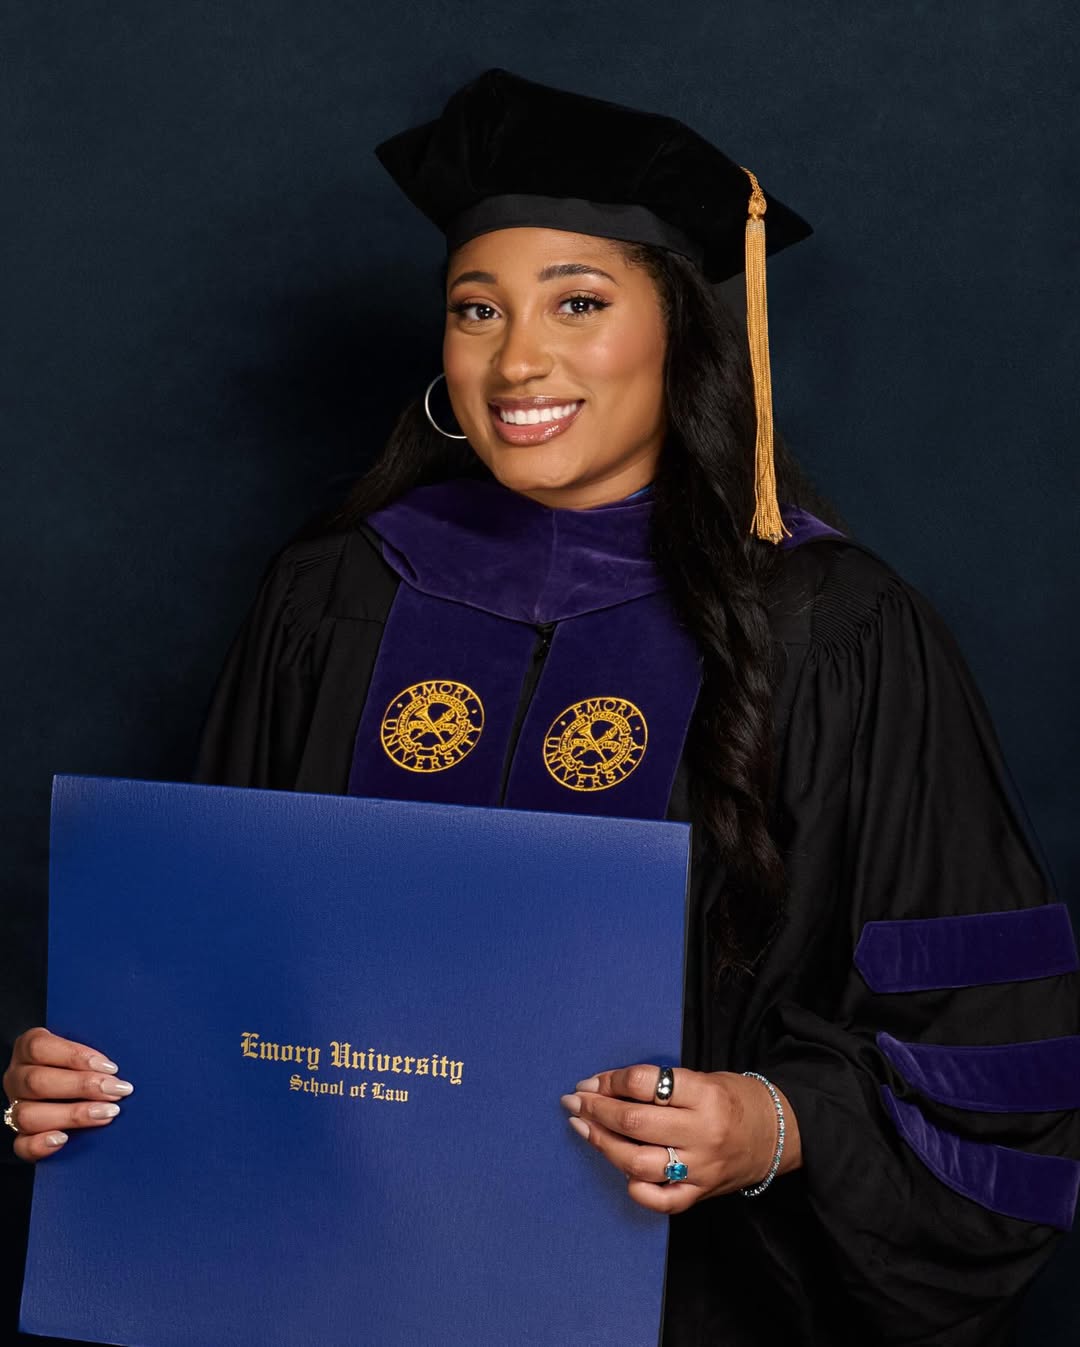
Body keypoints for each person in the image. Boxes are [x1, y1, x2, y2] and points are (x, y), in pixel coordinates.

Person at [4, 68, 1079, 1346]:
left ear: (682, 334)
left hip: (687, 1308)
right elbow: (218, 966)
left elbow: (983, 1045)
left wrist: (771, 1126)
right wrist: (82, 1075)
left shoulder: (832, 627)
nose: (517, 359)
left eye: (579, 302)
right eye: (477, 309)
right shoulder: (334, 592)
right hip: (322, 1284)